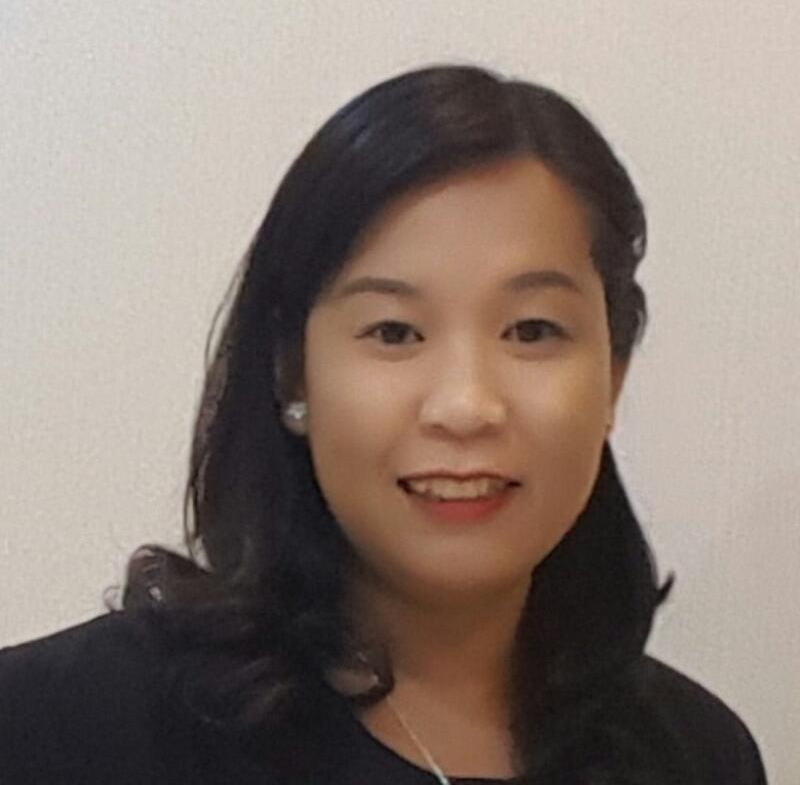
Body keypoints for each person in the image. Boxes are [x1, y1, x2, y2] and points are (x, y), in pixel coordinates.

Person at [0, 64, 768, 785]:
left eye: (532, 330)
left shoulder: (694, 755)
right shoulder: (66, 729)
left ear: (614, 375)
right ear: (292, 372)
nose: (465, 405)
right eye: (395, 332)